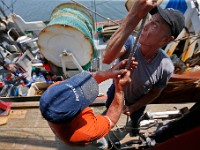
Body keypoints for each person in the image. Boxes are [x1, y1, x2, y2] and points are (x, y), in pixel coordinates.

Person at [102, 0, 185, 135]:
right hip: (115, 90)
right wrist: (133, 16)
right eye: (150, 20)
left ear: (167, 40)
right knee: (108, 111)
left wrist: (134, 107)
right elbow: (107, 57)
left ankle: (134, 127)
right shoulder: (129, 43)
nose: (146, 26)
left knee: (136, 119)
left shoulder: (166, 66)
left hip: (137, 100)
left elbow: (155, 92)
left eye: (155, 25)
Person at [39, 59, 137, 146]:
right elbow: (110, 120)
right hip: (80, 139)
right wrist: (120, 90)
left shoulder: (52, 92)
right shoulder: (85, 131)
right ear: (74, 117)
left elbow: (86, 81)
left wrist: (109, 72)